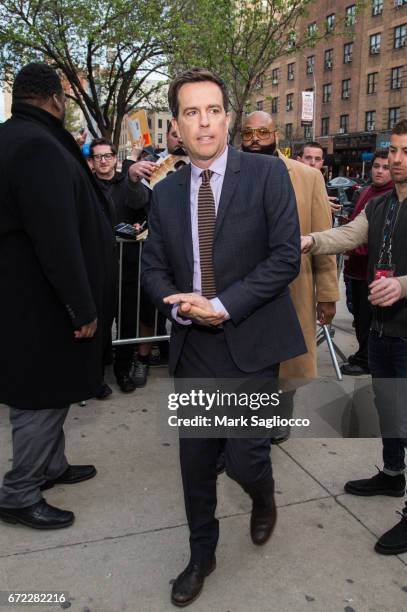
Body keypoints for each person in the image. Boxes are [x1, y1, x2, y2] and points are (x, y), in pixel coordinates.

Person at [142, 67, 306, 607]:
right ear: (178, 125)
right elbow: (153, 269)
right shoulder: (164, 195)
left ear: (228, 118)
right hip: (193, 344)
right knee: (195, 463)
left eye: (212, 110)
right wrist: (182, 304)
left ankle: (263, 496)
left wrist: (222, 304)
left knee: (243, 457)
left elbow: (285, 257)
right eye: (191, 112)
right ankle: (201, 553)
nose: (204, 122)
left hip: (251, 339)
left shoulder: (265, 175)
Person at [0, 63, 114, 529]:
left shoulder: (15, 137)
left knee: (53, 386)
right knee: (40, 396)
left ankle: (52, 465)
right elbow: (55, 237)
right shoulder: (36, 146)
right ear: (54, 98)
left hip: (26, 297)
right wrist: (80, 305)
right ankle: (18, 491)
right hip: (42, 302)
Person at [301, 119, 407, 556]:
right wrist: (309, 239)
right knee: (388, 407)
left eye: (405, 152)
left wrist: (404, 284)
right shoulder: (382, 204)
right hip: (383, 330)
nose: (397, 159)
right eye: (394, 150)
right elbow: (350, 234)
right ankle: (393, 473)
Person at [241, 112, 339, 381]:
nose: (254, 139)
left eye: (262, 133)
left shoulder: (308, 178)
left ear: (275, 136)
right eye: (248, 133)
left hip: (292, 289)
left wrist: (327, 294)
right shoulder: (227, 174)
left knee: (284, 381)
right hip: (239, 293)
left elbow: (323, 237)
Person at [89, 138, 151, 393]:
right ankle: (96, 379)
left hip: (127, 266)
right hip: (98, 268)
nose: (104, 161)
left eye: (108, 156)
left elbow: (143, 213)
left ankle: (123, 372)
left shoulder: (128, 184)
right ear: (91, 162)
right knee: (99, 325)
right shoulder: (85, 186)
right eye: (98, 157)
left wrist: (139, 226)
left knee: (127, 323)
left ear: (116, 158)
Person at [340, 151, 393, 376]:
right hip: (354, 270)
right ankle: (363, 354)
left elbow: (378, 240)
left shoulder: (391, 197)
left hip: (371, 273)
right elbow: (355, 226)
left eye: (385, 167)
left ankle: (365, 360)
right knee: (358, 317)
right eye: (376, 166)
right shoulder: (367, 191)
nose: (379, 171)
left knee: (367, 320)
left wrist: (350, 246)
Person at [297, 141, 342, 215]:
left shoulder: (325, 187)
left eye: (317, 159)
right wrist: (318, 204)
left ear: (322, 162)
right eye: (308, 158)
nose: (313, 163)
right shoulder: (289, 182)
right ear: (299, 160)